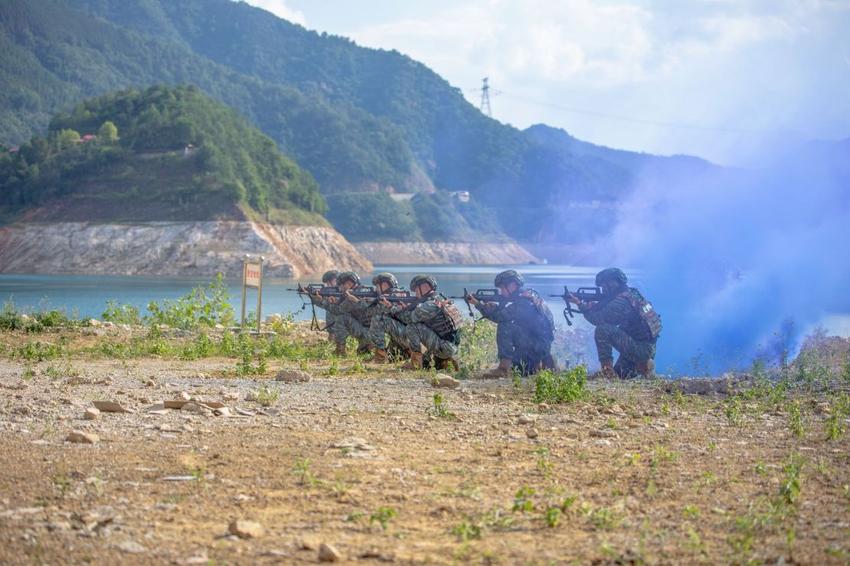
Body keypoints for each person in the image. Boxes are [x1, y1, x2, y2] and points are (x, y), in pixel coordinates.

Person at [569, 267, 661, 379]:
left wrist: (580, 305)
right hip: (647, 347)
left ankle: (607, 371)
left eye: (603, 286)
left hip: (640, 349)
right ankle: (644, 365)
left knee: (603, 330)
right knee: (621, 375)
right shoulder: (632, 294)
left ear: (612, 283)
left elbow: (598, 320)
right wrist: (594, 306)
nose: (603, 290)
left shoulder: (621, 302)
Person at [467, 269, 556, 378]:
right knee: (523, 371)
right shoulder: (528, 296)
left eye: (502, 288)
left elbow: (500, 317)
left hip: (536, 347)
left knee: (505, 325)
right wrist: (492, 307)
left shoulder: (524, 302)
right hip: (539, 346)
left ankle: (503, 369)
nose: (501, 292)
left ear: (513, 285)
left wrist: (478, 304)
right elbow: (512, 315)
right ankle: (537, 365)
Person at [382, 274, 462, 370]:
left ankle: (415, 363)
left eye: (416, 290)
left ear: (423, 287)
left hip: (444, 347)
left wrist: (391, 307)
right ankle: (445, 361)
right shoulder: (440, 299)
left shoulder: (429, 305)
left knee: (412, 327)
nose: (416, 294)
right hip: (451, 346)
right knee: (426, 364)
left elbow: (409, 319)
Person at [312, 271, 374, 357]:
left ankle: (340, 351)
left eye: (341, 285)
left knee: (341, 318)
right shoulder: (360, 291)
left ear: (349, 283)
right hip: (368, 332)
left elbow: (338, 311)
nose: (339, 288)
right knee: (362, 353)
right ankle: (366, 345)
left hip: (369, 334)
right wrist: (333, 302)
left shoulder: (353, 296)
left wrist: (322, 301)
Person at [368, 272, 406, 363]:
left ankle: (380, 357)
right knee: (392, 357)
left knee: (378, 320)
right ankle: (405, 353)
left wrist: (361, 302)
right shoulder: (397, 294)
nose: (376, 289)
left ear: (384, 285)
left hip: (408, 336)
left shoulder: (392, 296)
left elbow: (371, 312)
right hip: (404, 336)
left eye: (377, 286)